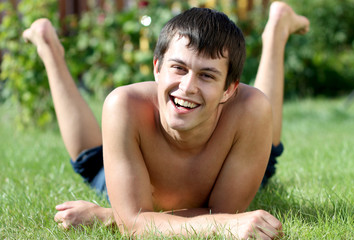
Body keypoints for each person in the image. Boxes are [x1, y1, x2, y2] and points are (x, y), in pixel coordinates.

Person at [23, 1, 309, 239]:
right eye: (179, 68)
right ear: (157, 68)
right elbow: (221, 223)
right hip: (134, 171)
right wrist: (129, 219)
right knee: (92, 161)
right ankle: (48, 48)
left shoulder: (249, 109)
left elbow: (226, 214)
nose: (188, 87)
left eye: (207, 75)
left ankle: (276, 32)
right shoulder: (124, 105)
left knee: (262, 126)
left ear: (229, 89)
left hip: (236, 158)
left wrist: (111, 216)